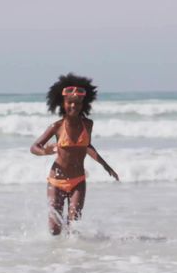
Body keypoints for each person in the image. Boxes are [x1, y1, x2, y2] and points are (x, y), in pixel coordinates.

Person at [30, 73, 119, 235]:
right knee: (54, 230)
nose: (74, 106)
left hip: (78, 180)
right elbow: (34, 147)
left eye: (78, 103)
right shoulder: (56, 126)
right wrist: (45, 152)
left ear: (83, 104)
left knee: (74, 225)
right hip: (56, 181)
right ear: (62, 104)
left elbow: (87, 146)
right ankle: (56, 257)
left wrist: (105, 165)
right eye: (70, 102)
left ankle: (73, 256)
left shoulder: (88, 124)